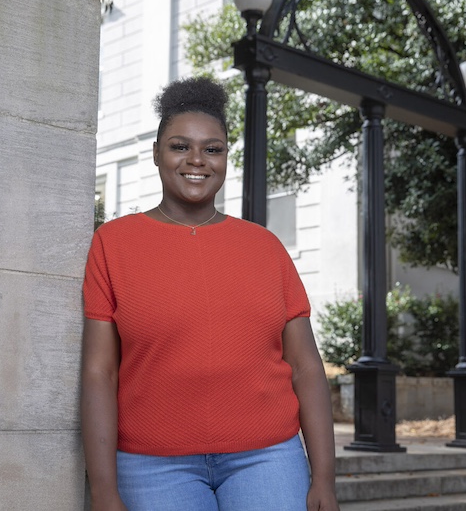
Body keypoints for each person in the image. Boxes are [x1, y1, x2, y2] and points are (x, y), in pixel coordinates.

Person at [81, 76, 340, 511]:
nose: (196, 160)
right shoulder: (113, 244)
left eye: (213, 148)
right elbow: (98, 373)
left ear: (225, 157)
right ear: (157, 154)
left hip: (268, 456)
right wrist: (104, 490)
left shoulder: (265, 247)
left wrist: (325, 480)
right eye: (180, 146)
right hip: (151, 463)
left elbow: (306, 367)